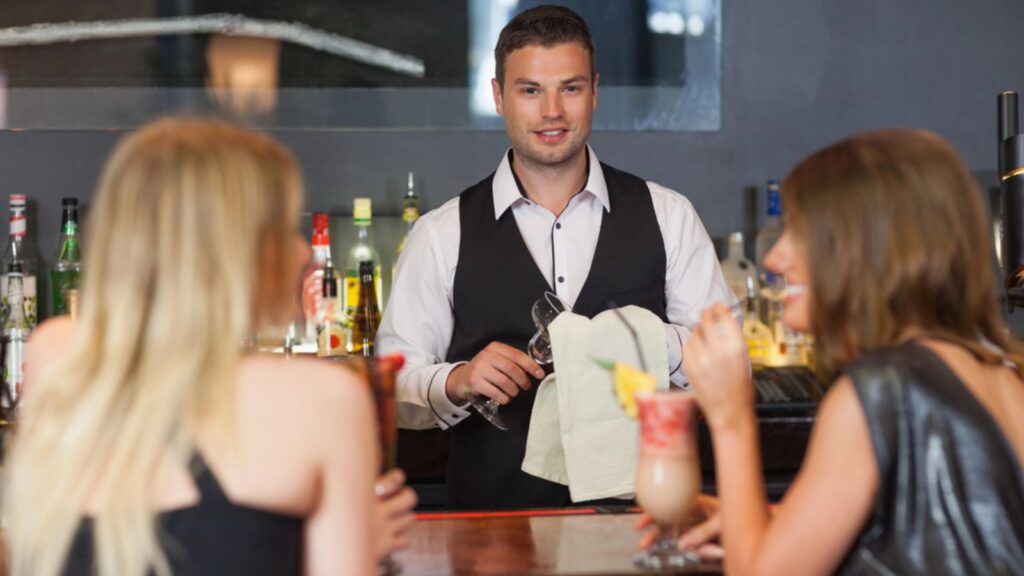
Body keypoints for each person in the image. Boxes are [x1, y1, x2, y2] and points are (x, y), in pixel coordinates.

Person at [4, 119, 415, 576]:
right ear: (231, 249)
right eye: (281, 228)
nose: (302, 253)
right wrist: (356, 540)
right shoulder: (324, 398)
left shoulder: (56, 353)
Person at [378, 4, 734, 510]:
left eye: (570, 88)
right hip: (493, 533)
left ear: (595, 92)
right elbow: (392, 389)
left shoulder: (668, 215)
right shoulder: (441, 233)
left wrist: (647, 341)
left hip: (641, 525)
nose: (552, 111)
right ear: (498, 96)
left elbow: (731, 369)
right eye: (530, 90)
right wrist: (455, 381)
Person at [658, 129, 1024, 574]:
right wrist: (763, 521)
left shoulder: (878, 391)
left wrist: (731, 416)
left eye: (800, 233)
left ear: (866, 248)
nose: (775, 258)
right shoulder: (1001, 375)